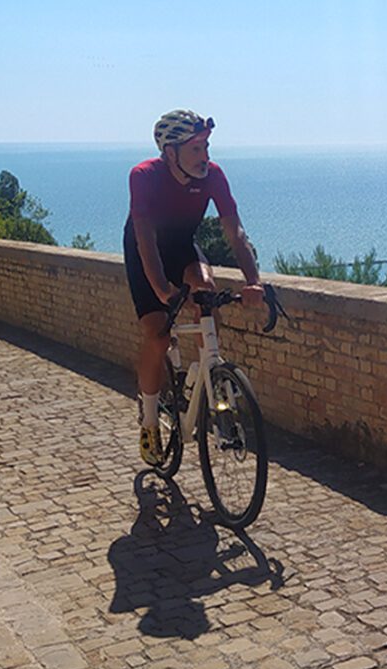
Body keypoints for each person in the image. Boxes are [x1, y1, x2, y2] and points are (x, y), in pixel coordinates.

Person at [125, 109, 264, 466]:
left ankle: (212, 379)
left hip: (182, 248)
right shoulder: (144, 176)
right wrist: (162, 291)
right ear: (170, 152)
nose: (205, 156)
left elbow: (235, 233)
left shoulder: (213, 176)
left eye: (206, 147)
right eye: (196, 149)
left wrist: (254, 282)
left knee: (206, 289)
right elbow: (145, 240)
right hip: (145, 252)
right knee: (157, 336)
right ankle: (150, 420)